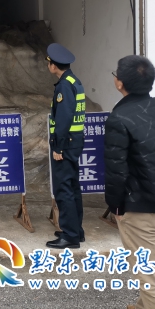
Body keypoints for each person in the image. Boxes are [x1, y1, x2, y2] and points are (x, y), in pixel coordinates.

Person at [104, 55, 155, 309]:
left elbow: (116, 170)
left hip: (142, 210)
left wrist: (115, 205)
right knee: (153, 267)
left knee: (151, 278)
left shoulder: (119, 118)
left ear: (120, 83)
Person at [45, 43, 86, 249]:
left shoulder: (64, 86)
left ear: (54, 66)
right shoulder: (74, 81)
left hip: (66, 145)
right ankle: (76, 230)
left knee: (64, 189)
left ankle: (70, 236)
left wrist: (58, 147)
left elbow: (63, 118)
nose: (48, 66)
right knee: (73, 187)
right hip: (74, 143)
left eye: (49, 63)